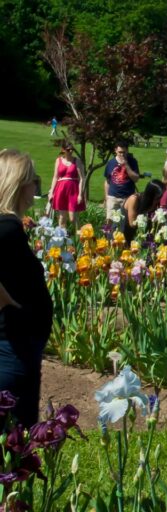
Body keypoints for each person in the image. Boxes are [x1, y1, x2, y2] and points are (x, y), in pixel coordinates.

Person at [0, 149, 53, 428]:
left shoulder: (9, 225)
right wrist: (7, 301)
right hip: (13, 349)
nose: (37, 186)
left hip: (18, 345)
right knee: (16, 438)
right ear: (20, 184)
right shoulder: (7, 226)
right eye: (35, 180)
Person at [48, 142, 85, 228]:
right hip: (61, 190)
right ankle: (62, 234)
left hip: (73, 190)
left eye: (72, 149)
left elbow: (82, 178)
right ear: (63, 150)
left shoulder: (77, 161)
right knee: (62, 218)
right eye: (68, 150)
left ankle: (78, 234)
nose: (71, 151)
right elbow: (55, 177)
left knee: (73, 218)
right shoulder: (58, 160)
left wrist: (80, 194)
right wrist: (51, 192)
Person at [119, 179, 165, 244]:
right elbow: (132, 224)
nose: (159, 200)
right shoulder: (134, 199)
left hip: (139, 236)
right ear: (151, 195)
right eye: (157, 198)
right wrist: (150, 220)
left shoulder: (154, 203)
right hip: (124, 233)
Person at [104, 142, 140, 216]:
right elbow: (107, 181)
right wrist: (106, 197)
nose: (122, 154)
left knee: (126, 221)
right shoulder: (111, 163)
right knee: (110, 221)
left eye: (124, 152)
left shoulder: (132, 162)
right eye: (120, 152)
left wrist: (126, 165)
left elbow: (136, 179)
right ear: (115, 150)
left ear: (127, 150)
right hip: (113, 197)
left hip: (128, 198)